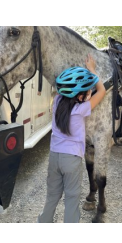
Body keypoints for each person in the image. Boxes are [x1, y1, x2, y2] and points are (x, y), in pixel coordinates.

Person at [38, 54, 106, 223]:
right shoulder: (81, 109)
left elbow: (65, 90)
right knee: (71, 199)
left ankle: (43, 223)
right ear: (80, 96)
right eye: (87, 91)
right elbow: (102, 90)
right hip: (72, 159)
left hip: (54, 157)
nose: (90, 92)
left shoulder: (57, 101)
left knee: (52, 196)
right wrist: (92, 69)